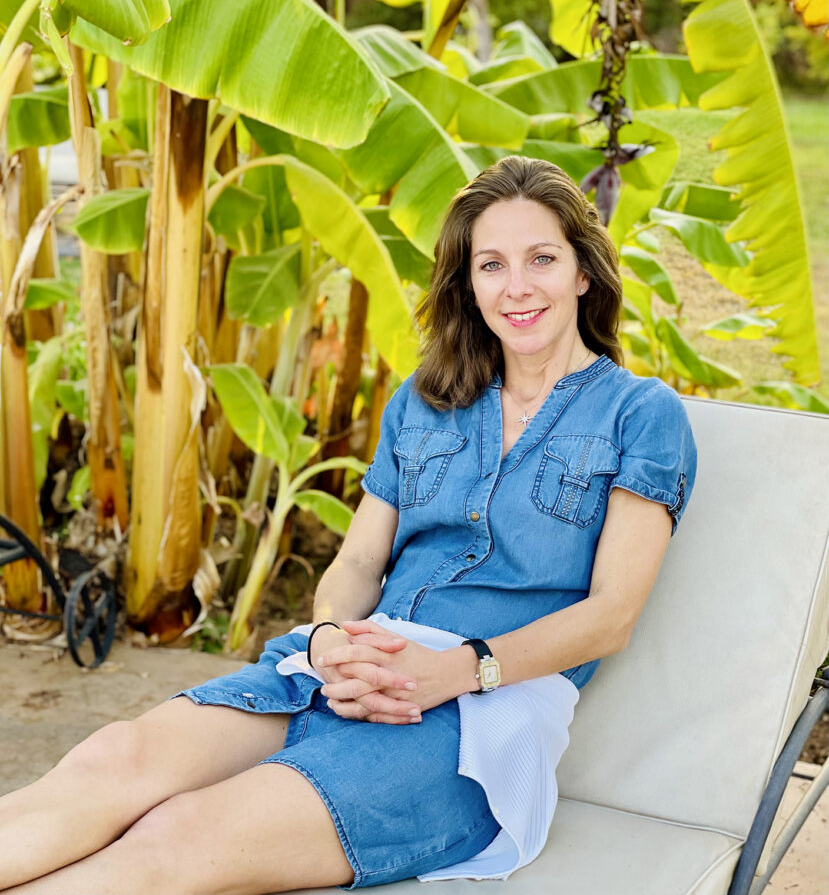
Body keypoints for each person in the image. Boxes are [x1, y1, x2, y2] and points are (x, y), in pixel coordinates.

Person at [0, 155, 697, 895]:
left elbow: (609, 617)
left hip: (473, 723)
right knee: (114, 761)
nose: (516, 287)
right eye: (490, 264)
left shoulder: (640, 415)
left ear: (583, 273)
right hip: (344, 670)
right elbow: (358, 563)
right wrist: (331, 635)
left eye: (542, 259)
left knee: (178, 836)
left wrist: (451, 672)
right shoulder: (427, 401)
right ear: (467, 283)